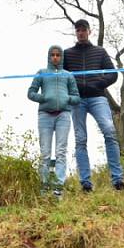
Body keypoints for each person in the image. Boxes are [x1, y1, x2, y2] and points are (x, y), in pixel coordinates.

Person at [63, 19, 124, 192]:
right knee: (80, 139)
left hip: (98, 97)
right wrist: (71, 90)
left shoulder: (100, 52)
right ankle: (86, 183)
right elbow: (61, 76)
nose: (81, 32)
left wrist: (98, 83)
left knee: (109, 131)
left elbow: (113, 74)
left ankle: (118, 180)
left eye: (83, 30)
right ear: (75, 33)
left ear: (89, 32)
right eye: (78, 30)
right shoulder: (67, 54)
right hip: (77, 101)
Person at [27, 45, 80, 198]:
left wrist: (67, 99)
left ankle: (58, 187)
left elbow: (76, 97)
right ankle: (43, 188)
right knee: (45, 153)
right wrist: (43, 98)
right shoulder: (41, 73)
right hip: (45, 116)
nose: (55, 57)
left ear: (62, 57)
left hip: (63, 115)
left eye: (58, 55)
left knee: (61, 152)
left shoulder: (68, 75)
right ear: (49, 57)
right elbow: (30, 93)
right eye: (53, 55)